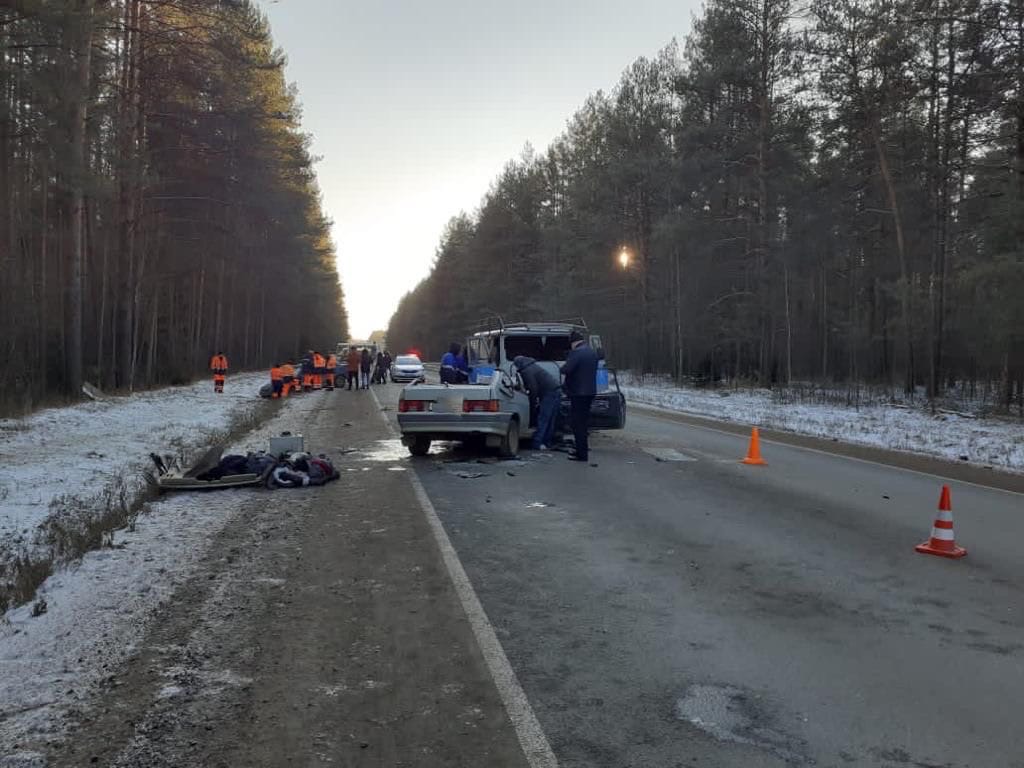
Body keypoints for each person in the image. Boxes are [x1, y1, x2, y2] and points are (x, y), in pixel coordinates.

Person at [560, 331, 599, 462]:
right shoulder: (591, 352)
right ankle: (582, 451)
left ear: (574, 342)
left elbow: (566, 369)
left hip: (578, 393)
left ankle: (581, 454)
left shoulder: (577, 353)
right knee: (583, 422)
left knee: (577, 424)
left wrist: (564, 364)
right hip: (590, 392)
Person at [513, 356, 561, 450]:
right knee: (550, 419)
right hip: (555, 390)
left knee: (543, 418)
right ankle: (546, 442)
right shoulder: (532, 366)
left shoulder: (526, 370)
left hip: (549, 393)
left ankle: (537, 443)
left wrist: (532, 404)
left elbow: (533, 388)